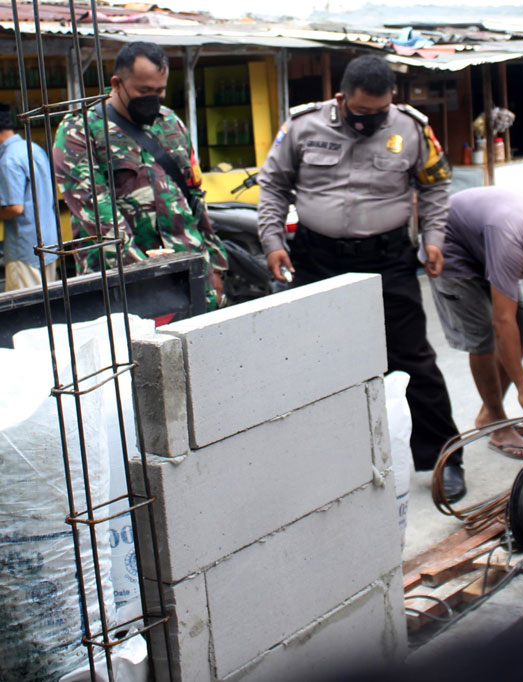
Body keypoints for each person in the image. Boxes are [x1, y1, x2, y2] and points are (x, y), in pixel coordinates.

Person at [257, 55, 467, 501]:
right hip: (317, 259)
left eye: (380, 113)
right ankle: (327, 465)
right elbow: (273, 184)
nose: (371, 121)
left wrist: (433, 236)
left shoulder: (410, 128)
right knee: (318, 363)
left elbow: (435, 185)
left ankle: (444, 459)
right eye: (362, 113)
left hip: (388, 258)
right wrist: (272, 240)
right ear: (342, 97)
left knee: (413, 360)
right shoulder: (302, 125)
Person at [53, 41, 227, 310]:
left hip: (191, 275)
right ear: (117, 83)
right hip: (124, 287)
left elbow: (194, 198)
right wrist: (150, 279)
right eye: (143, 90)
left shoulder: (170, 122)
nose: (153, 99)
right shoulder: (80, 130)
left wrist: (214, 267)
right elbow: (100, 220)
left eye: (159, 91)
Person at [429, 187, 523, 457]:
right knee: (483, 336)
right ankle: (497, 423)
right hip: (450, 248)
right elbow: (502, 322)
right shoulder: (513, 242)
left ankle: (487, 413)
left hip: (484, 241)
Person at [0, 104, 60, 291]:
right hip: (48, 243)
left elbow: (15, 208)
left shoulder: (8, 160)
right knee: (49, 307)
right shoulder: (32, 148)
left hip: (25, 249)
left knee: (28, 311)